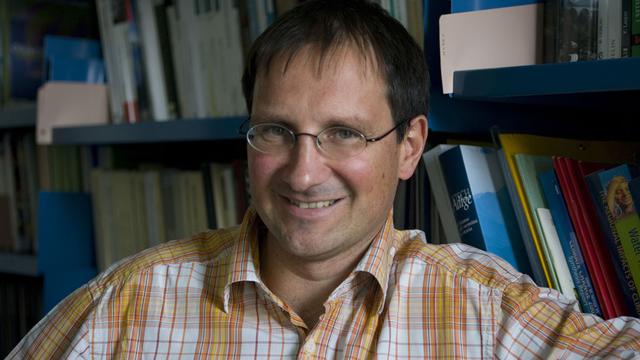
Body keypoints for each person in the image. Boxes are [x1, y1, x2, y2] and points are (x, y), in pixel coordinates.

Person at [9, 0, 640, 358]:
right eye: (276, 130)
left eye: (344, 133)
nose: (304, 172)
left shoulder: (490, 313)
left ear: (409, 146)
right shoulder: (126, 306)